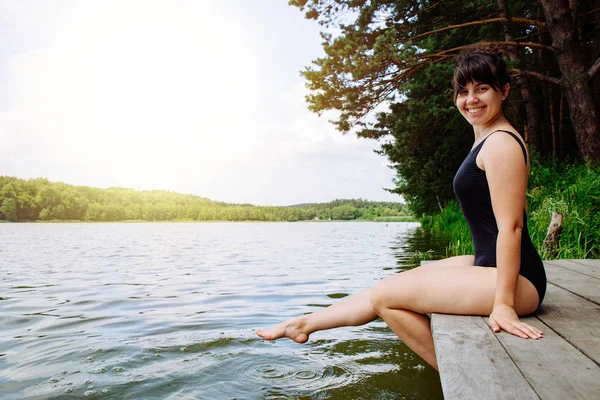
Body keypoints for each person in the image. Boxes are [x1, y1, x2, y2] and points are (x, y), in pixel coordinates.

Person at [256, 44, 547, 371]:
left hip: (516, 281)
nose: (471, 99)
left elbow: (512, 227)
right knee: (390, 286)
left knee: (385, 297)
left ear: (503, 91)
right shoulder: (486, 138)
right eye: (463, 91)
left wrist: (504, 304)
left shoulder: (501, 144)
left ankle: (465, 376)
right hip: (489, 266)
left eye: (482, 89)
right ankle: (304, 324)